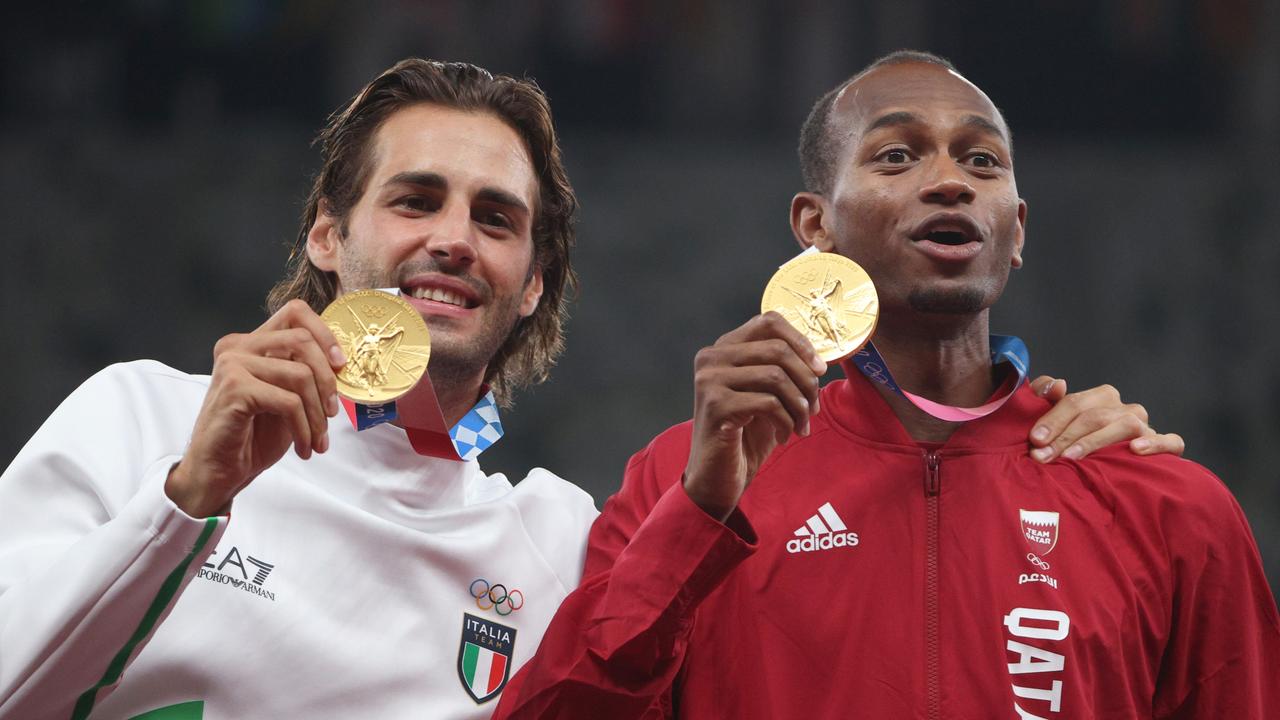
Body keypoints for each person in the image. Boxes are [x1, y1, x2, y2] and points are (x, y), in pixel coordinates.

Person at [0, 56, 1181, 720]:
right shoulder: (142, 415)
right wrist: (185, 500)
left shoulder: (562, 538)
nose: (452, 239)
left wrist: (1025, 444)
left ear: (529, 286)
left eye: (495, 220)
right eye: (414, 200)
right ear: (326, 232)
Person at [492, 51, 1280, 719]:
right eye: (897, 156)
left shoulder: (1168, 506)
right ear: (815, 225)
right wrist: (696, 517)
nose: (950, 182)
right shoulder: (687, 480)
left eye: (983, 161)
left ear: (1017, 232)